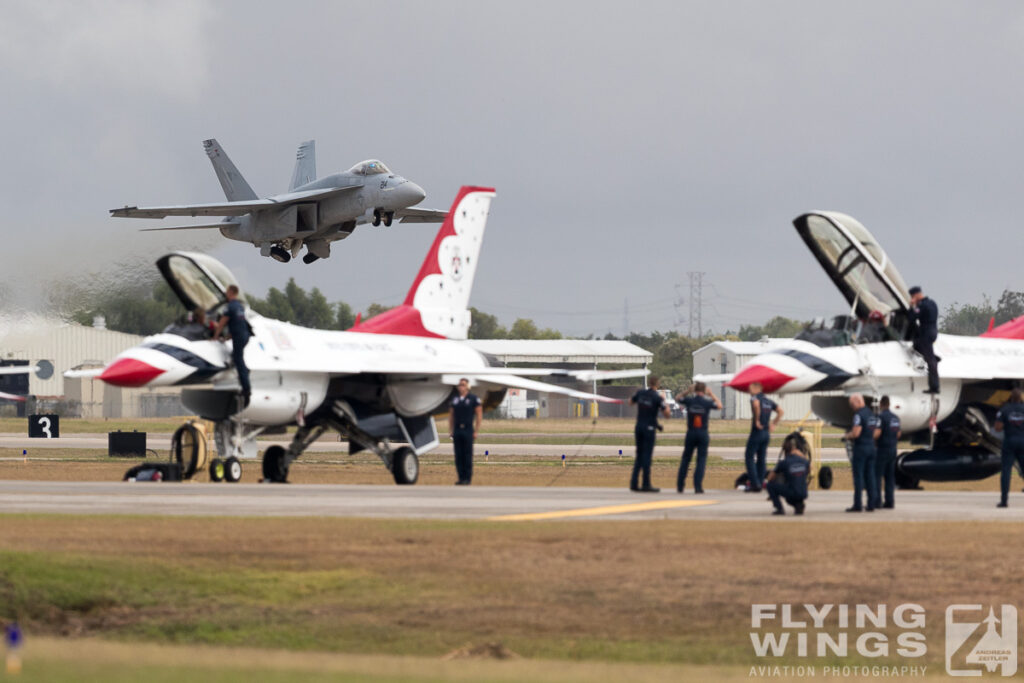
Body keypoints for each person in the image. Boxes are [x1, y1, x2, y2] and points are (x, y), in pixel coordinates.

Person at [675, 382, 722, 493]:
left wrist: (687, 391)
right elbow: (719, 406)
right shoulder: (706, 402)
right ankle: (697, 486)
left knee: (686, 459)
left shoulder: (690, 401)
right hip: (702, 433)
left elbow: (677, 398)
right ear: (704, 391)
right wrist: (711, 394)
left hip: (691, 433)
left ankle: (680, 485)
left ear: (695, 390)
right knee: (701, 460)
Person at [629, 376, 670, 492]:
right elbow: (667, 414)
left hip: (639, 427)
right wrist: (664, 401)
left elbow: (630, 402)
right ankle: (646, 483)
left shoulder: (641, 393)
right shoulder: (657, 397)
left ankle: (634, 482)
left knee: (639, 455)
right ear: (657, 384)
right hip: (649, 429)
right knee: (647, 456)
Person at [213, 285, 252, 400]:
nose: (225, 293)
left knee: (238, 359)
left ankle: (246, 390)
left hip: (239, 337)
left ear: (230, 292)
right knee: (236, 357)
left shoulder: (229, 307)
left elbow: (222, 323)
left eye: (227, 291)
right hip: (244, 335)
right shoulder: (239, 306)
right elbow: (238, 323)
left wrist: (215, 336)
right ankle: (245, 371)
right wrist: (227, 337)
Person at [743, 382, 783, 492]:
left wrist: (756, 419)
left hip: (757, 431)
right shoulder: (768, 401)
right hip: (766, 432)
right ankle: (760, 482)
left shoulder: (755, 398)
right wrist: (774, 423)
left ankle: (754, 484)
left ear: (756, 388)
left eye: (750, 388)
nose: (749, 390)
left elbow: (755, 405)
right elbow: (780, 411)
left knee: (749, 456)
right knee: (761, 458)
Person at [844, 394, 880, 512]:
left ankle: (857, 505)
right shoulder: (871, 414)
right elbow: (875, 433)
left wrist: (846, 436)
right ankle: (871, 504)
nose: (851, 407)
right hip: (871, 447)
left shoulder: (858, 415)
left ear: (857, 401)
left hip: (861, 448)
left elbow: (856, 433)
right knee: (871, 477)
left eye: (851, 404)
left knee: (858, 477)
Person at [765, 432, 810, 515]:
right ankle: (798, 505)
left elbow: (770, 477)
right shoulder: (804, 461)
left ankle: (779, 509)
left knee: (770, 486)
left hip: (792, 492)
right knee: (794, 488)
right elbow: (809, 468)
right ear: (794, 449)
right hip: (804, 492)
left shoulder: (784, 463)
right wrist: (800, 454)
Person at [448, 377, 482, 485]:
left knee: (467, 455)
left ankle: (467, 478)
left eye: (463, 385)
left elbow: (479, 415)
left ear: (467, 386)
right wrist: (451, 430)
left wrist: (476, 430)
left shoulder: (473, 399)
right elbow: (451, 415)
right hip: (457, 429)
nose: (461, 387)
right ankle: (461, 478)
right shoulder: (455, 399)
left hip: (468, 429)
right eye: (460, 385)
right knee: (458, 455)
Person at [994, 388, 1024, 508]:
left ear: (1011, 397)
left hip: (1010, 442)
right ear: (1021, 398)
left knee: (1006, 471)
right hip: (1023, 441)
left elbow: (997, 428)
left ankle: (1004, 501)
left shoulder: (1005, 410)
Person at [909, 286, 940, 394]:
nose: (912, 298)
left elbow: (911, 318)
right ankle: (934, 357)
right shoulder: (932, 303)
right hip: (933, 331)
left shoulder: (921, 305)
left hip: (926, 333)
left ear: (917, 295)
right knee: (916, 345)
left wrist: (911, 306)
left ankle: (934, 387)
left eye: (913, 296)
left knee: (930, 361)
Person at [874, 396, 901, 509]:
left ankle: (877, 501)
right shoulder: (895, 418)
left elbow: (877, 433)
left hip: (882, 449)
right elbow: (898, 434)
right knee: (890, 477)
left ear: (881, 404)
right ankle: (890, 502)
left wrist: (872, 440)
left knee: (877, 476)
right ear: (889, 404)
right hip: (893, 449)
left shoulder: (880, 417)